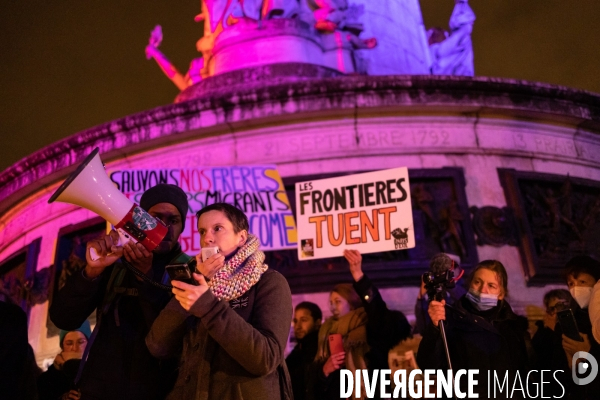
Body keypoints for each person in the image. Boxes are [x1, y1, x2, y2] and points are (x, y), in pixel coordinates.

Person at [49, 183, 189, 400]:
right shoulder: (116, 263)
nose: (165, 228)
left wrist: (146, 279)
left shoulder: (189, 271)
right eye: (156, 219)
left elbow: (168, 344)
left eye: (174, 221)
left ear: (182, 227)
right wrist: (91, 272)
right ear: (139, 221)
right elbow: (63, 318)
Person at [146, 203, 293, 399]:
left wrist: (208, 306)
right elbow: (157, 345)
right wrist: (196, 283)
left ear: (241, 237)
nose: (207, 237)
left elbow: (265, 358)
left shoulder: (269, 282)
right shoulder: (196, 281)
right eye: (202, 231)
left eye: (218, 228)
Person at [417, 259, 530, 397]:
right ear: (470, 284)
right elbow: (428, 366)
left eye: (491, 286)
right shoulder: (450, 319)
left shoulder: (514, 326)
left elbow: (525, 375)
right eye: (477, 282)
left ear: (501, 293)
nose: (483, 290)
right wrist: (434, 328)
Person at [310, 250, 411, 399]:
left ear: (352, 303)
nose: (332, 308)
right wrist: (324, 371)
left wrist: (358, 275)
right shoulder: (327, 333)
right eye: (330, 303)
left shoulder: (369, 325)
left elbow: (377, 310)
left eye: (338, 302)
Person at [551, 255, 600, 399]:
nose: (576, 288)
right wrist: (571, 365)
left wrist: (588, 354)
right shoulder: (567, 324)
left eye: (582, 281)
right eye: (571, 283)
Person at [37, 321, 92, 400]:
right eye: (69, 343)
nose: (75, 348)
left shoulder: (99, 372)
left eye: (81, 342)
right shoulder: (48, 379)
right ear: (62, 346)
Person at [286, 302, 322, 400]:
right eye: (295, 321)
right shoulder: (298, 351)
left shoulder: (321, 350)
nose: (298, 326)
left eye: (304, 320)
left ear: (317, 323)